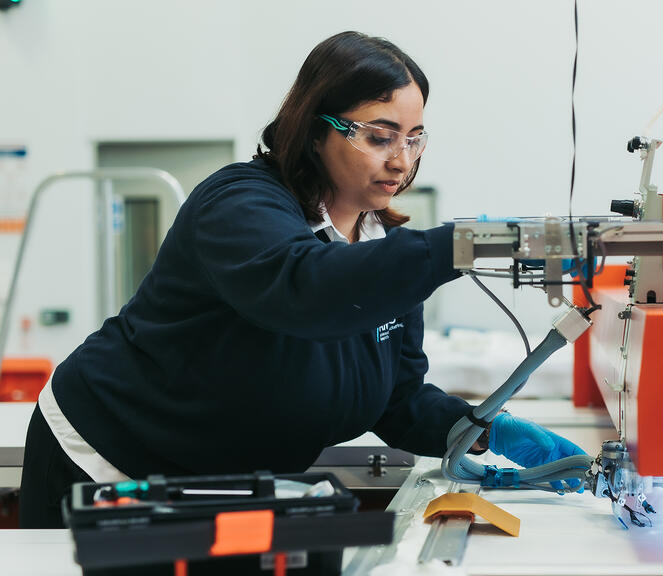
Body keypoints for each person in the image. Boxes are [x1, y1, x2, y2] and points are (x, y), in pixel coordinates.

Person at [19, 31, 586, 528]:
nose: (402, 160)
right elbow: (309, 289)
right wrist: (456, 244)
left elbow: (396, 398)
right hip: (108, 462)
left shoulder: (380, 245)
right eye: (380, 136)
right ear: (316, 131)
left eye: (414, 137)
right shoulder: (239, 202)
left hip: (221, 488)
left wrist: (481, 428)